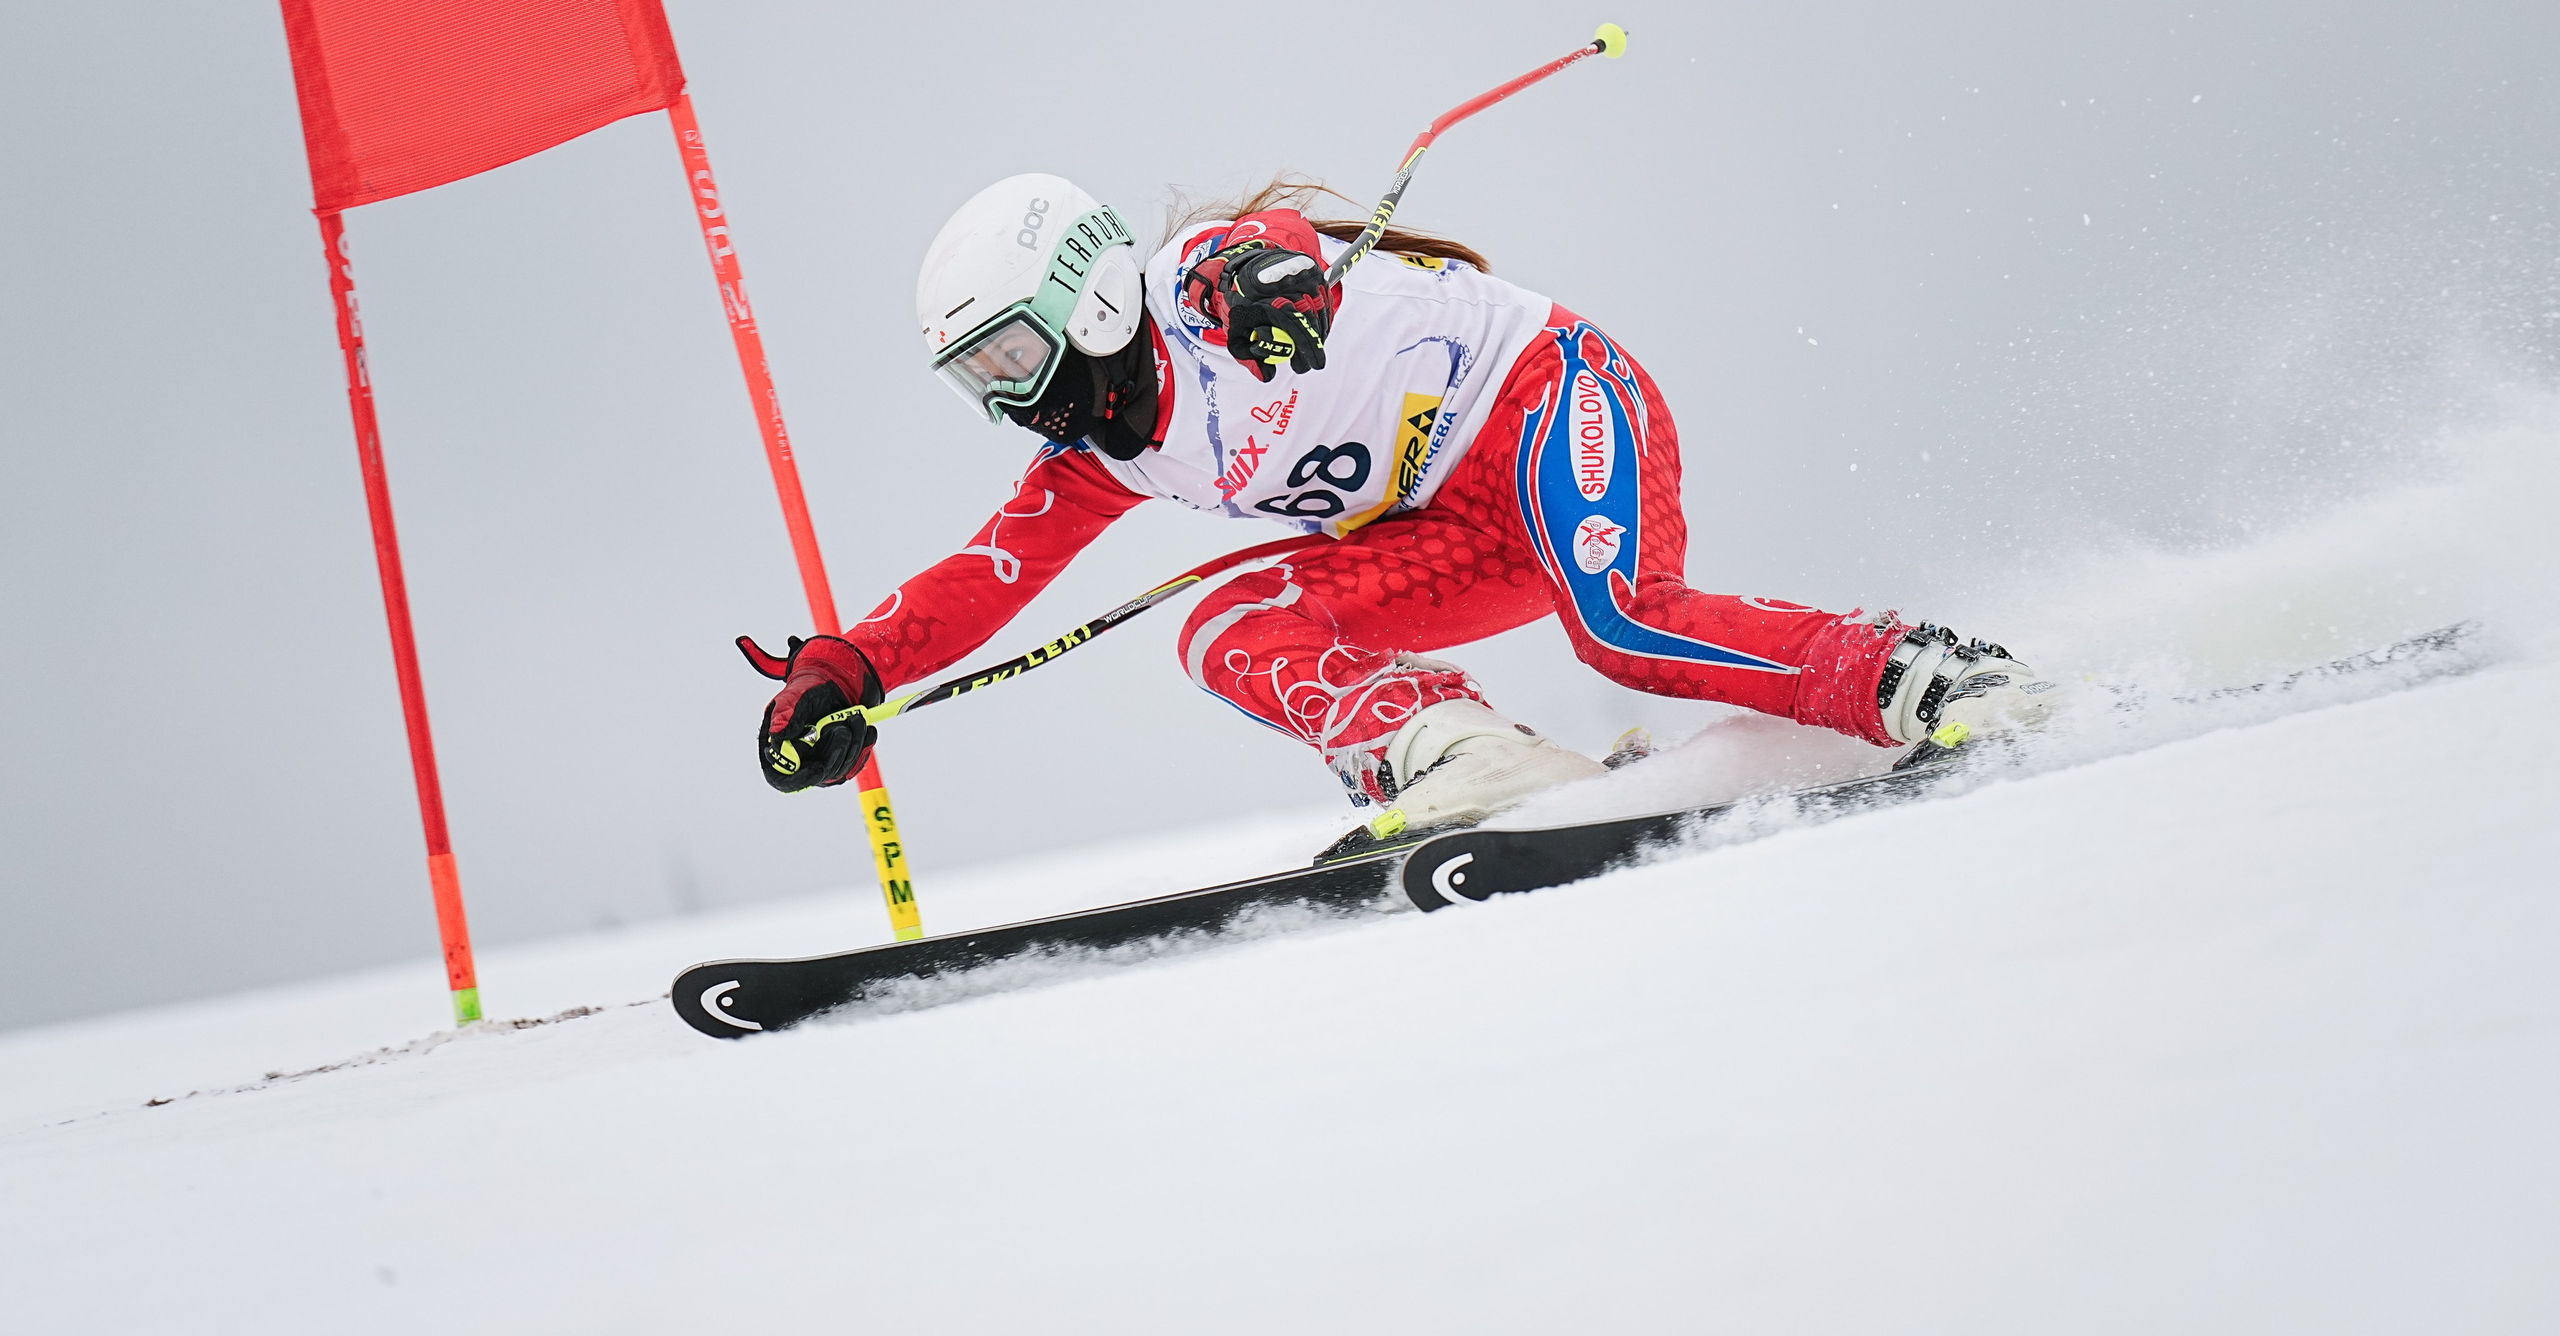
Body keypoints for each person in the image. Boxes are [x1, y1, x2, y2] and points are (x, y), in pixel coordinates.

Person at [742, 173, 2052, 851]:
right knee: (1222, 626)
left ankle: (1916, 675)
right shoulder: (1099, 457)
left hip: (1554, 398)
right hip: (1453, 530)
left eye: (1012, 359)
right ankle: (1472, 760)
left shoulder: (1196, 284)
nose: (1012, 402)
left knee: (1623, 629)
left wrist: (1274, 284)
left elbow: (1257, 248)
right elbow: (986, 573)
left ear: (1086, 298)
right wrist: (849, 668)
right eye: (978, 382)